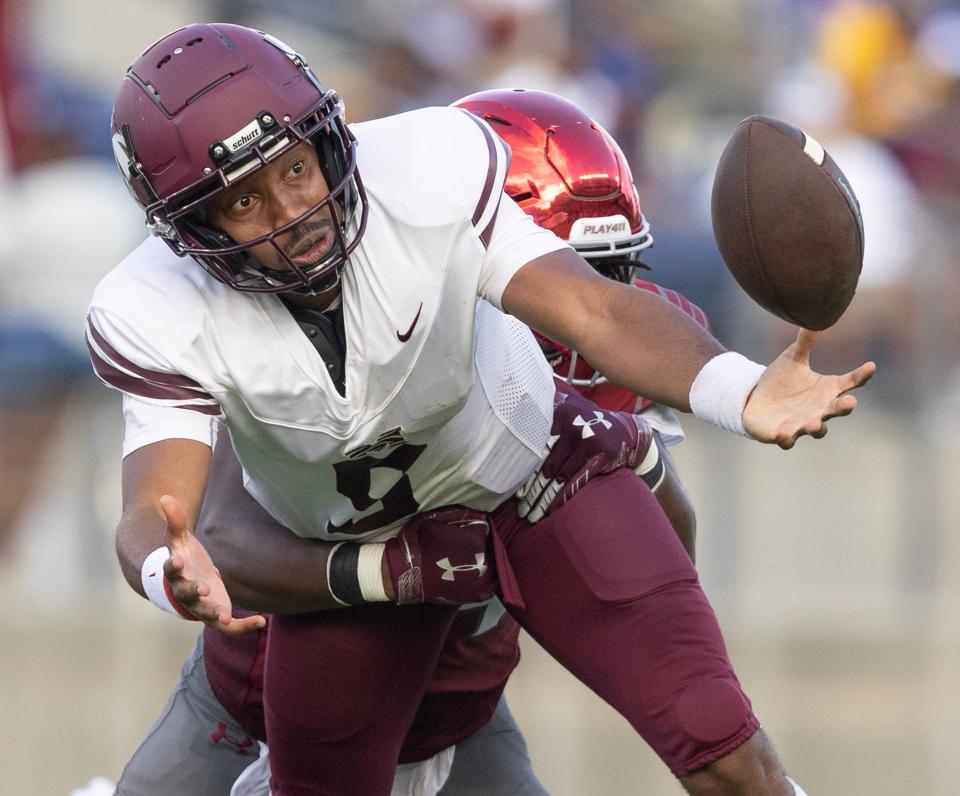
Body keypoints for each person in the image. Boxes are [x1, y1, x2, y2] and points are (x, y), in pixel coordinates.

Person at [89, 23, 873, 796]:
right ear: (194, 231)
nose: (293, 212)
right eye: (245, 201)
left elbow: (594, 313)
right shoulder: (160, 310)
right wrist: (169, 565)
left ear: (329, 141)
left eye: (296, 168)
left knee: (724, 746)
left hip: (527, 483)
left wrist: (737, 390)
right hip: (350, 570)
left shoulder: (426, 171)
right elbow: (169, 517)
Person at [112, 87, 704, 796]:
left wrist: (634, 456)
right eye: (569, 267)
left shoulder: (606, 367)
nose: (590, 302)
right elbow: (225, 540)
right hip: (255, 722)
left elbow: (669, 563)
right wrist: (393, 570)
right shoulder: (338, 368)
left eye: (610, 272)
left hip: (455, 725)